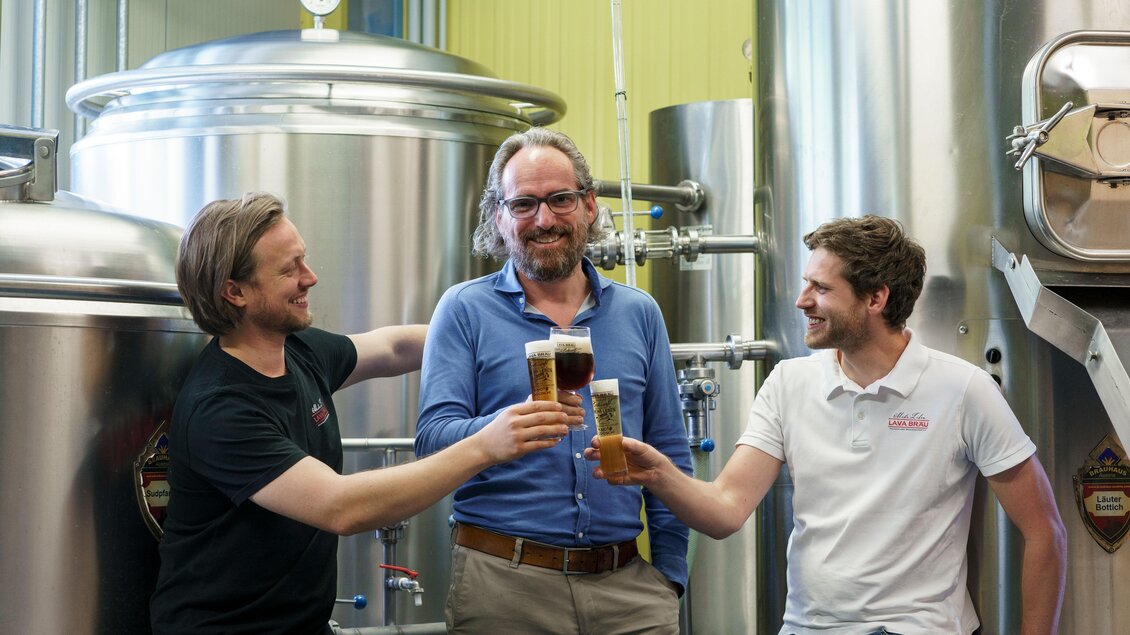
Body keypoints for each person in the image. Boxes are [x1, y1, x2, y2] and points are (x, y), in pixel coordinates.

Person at [587, 215, 1068, 635]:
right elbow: (726, 511)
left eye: (821, 288)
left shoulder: (963, 390)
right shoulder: (788, 383)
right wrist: (659, 474)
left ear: (876, 297)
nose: (801, 301)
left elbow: (1045, 531)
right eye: (805, 283)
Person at [150, 192, 577, 635]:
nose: (310, 277)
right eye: (288, 269)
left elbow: (392, 348)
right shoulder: (221, 407)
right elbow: (341, 506)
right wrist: (486, 445)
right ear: (234, 292)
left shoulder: (296, 350)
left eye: (304, 260)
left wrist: (512, 341)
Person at [415, 127, 692, 634]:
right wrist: (501, 429)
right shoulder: (463, 309)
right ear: (499, 216)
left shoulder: (639, 313)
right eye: (523, 204)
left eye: (560, 199)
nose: (543, 220)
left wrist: (670, 578)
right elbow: (431, 442)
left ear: (588, 205)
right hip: (505, 587)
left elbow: (670, 453)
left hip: (628, 591)